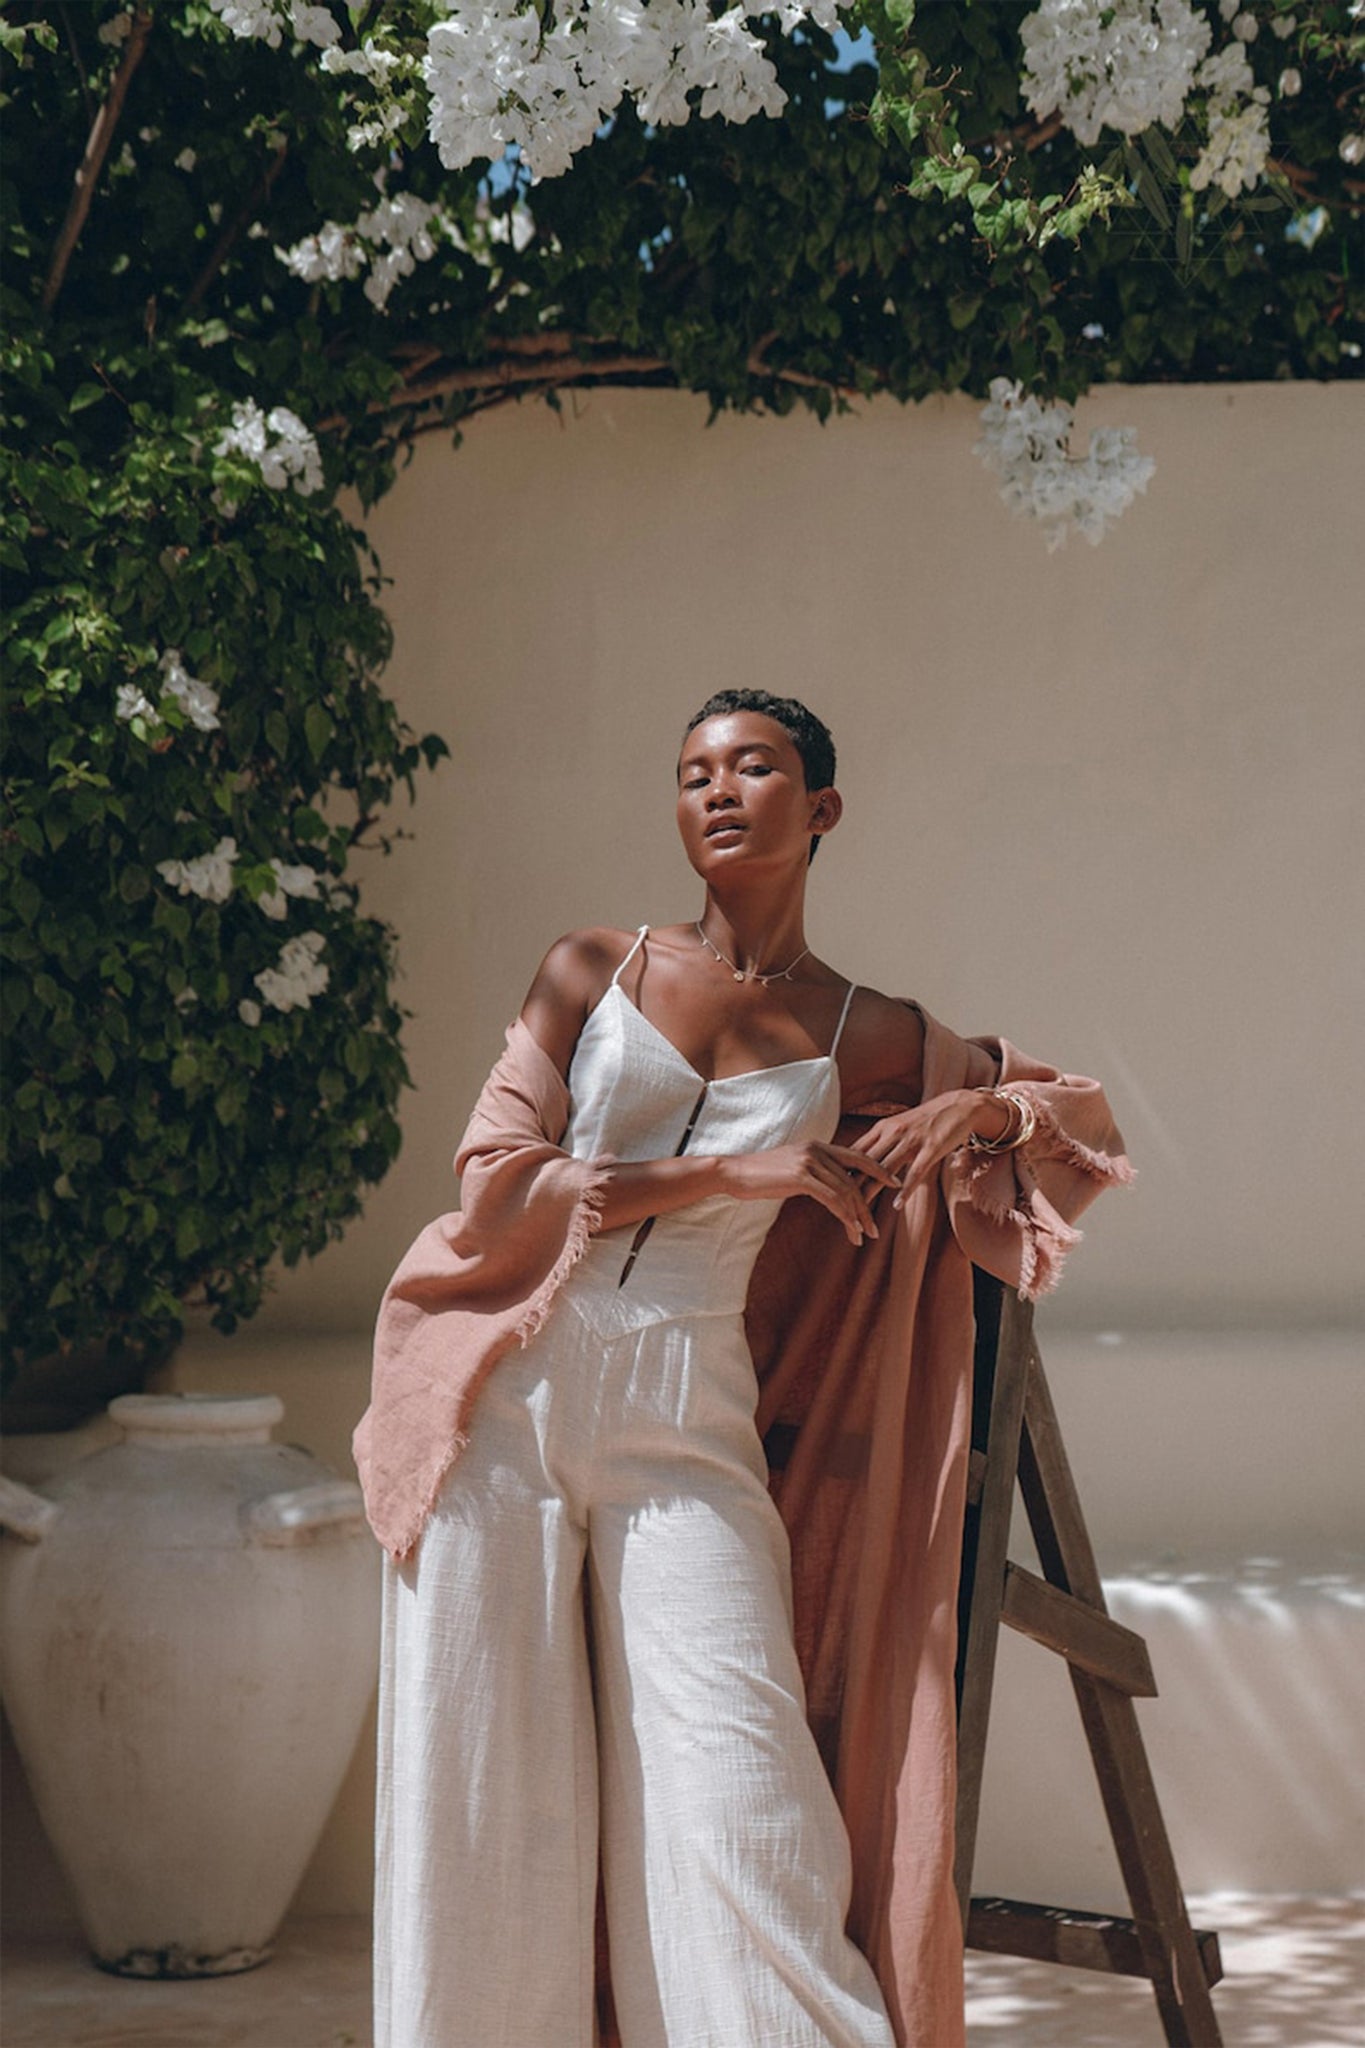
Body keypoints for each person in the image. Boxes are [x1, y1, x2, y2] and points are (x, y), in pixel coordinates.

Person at [354, 689, 1132, 2048]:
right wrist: (729, 1169)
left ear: (818, 808)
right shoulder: (592, 965)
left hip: (684, 1428)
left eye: (751, 767)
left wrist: (979, 1099)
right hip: (504, 1400)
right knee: (481, 1803)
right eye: (691, 772)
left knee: (744, 1799)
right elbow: (491, 1181)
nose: (714, 790)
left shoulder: (862, 1029)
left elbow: (1077, 1118)